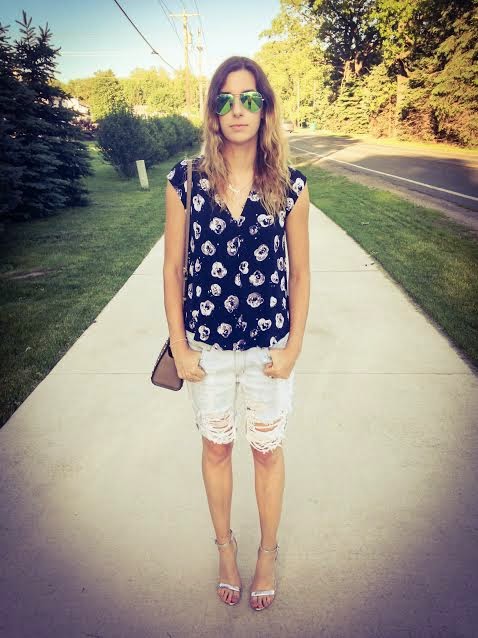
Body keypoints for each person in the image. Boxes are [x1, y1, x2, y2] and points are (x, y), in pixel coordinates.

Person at [163, 55, 310, 611]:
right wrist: (180, 346)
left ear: (265, 108)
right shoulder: (185, 180)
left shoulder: (290, 186)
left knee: (267, 453)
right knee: (217, 447)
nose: (238, 110)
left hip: (269, 348)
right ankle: (225, 547)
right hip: (207, 349)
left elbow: (301, 274)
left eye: (250, 98)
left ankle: (267, 552)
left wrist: (293, 347)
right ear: (213, 111)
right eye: (225, 99)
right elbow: (173, 268)